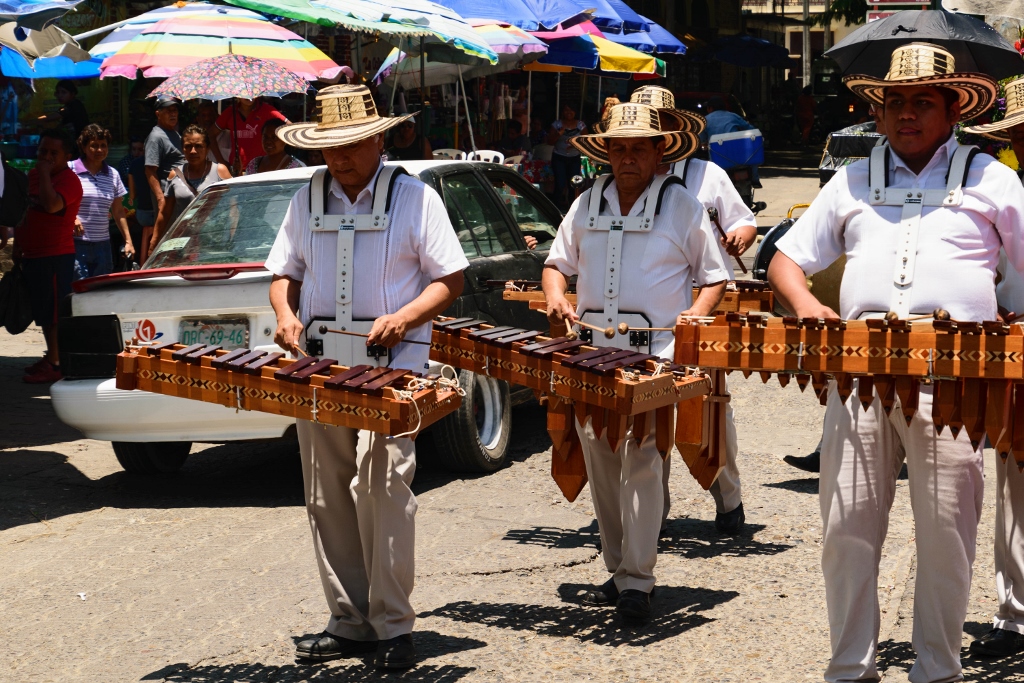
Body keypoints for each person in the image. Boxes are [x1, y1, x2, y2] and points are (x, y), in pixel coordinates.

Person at [767, 43, 1024, 683]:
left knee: (947, 532)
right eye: (894, 102)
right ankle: (850, 667)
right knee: (846, 526)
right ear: (878, 113)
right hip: (859, 377)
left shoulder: (991, 177)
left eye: (921, 102)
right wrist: (803, 303)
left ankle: (938, 668)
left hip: (956, 379)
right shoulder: (849, 180)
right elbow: (785, 258)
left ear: (952, 109)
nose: (905, 113)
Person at [265, 84, 469, 669]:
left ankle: (393, 626)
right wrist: (284, 314)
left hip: (394, 370)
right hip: (321, 366)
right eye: (331, 147)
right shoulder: (308, 197)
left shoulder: (416, 198)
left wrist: (403, 318)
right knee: (325, 491)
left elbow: (449, 279)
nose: (341, 157)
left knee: (382, 489)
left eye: (352, 144)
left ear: (378, 139)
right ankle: (350, 621)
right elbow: (285, 271)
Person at [543, 102, 728, 624]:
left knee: (643, 459)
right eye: (618, 148)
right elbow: (556, 264)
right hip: (592, 355)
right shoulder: (584, 203)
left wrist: (694, 314)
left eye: (638, 149)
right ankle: (620, 568)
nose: (627, 159)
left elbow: (714, 278)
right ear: (605, 153)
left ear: (657, 153)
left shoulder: (683, 205)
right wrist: (557, 296)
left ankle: (638, 583)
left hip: (655, 358)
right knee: (601, 459)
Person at [630, 85, 757, 535]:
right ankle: (650, 515)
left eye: (654, 127)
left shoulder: (707, 175)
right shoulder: (621, 179)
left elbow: (743, 219)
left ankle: (729, 499)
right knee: (644, 417)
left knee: (707, 410)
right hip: (646, 318)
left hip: (702, 307)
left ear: (672, 130)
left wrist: (741, 235)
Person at [962, 75, 1024, 659]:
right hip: (1015, 352)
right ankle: (1015, 618)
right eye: (1019, 138)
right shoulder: (1006, 192)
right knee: (1016, 486)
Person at [14, 129, 83, 384]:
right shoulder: (32, 176)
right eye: (43, 151)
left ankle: (55, 364)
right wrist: (18, 243)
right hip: (33, 255)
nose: (46, 157)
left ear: (66, 156)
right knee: (44, 312)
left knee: (54, 314)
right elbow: (25, 211)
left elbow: (52, 205)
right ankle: (50, 357)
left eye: (53, 153)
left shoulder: (69, 181)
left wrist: (43, 174)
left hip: (55, 256)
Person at [71, 124, 134, 279]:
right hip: (76, 244)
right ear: (83, 147)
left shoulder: (113, 174)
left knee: (101, 291)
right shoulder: (70, 170)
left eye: (103, 146)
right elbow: (60, 203)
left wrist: (128, 241)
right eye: (94, 146)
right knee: (78, 291)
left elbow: (118, 211)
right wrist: (72, 218)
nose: (99, 150)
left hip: (103, 245)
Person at [144, 96, 189, 255]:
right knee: (168, 241)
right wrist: (161, 198)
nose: (173, 114)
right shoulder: (156, 137)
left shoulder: (175, 134)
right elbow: (150, 170)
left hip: (179, 198)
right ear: (158, 113)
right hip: (167, 199)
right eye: (168, 110)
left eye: (175, 110)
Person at [207, 97, 288, 174]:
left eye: (253, 90)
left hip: (261, 169)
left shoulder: (267, 110)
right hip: (236, 170)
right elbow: (210, 134)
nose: (248, 95)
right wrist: (222, 162)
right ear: (237, 94)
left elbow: (290, 129)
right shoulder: (229, 112)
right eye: (244, 92)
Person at [546, 104, 586, 209]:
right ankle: (555, 208)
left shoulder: (580, 125)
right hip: (559, 157)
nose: (569, 113)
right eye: (566, 110)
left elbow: (586, 141)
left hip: (574, 158)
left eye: (571, 110)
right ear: (563, 112)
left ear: (575, 112)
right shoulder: (557, 124)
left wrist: (575, 145)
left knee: (574, 184)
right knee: (560, 183)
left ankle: (572, 208)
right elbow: (549, 141)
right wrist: (559, 134)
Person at [176, 124, 231, 196]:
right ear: (183, 149)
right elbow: (167, 206)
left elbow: (232, 202)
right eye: (188, 146)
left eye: (198, 146)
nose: (193, 151)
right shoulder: (176, 174)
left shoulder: (220, 171)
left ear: (207, 149)